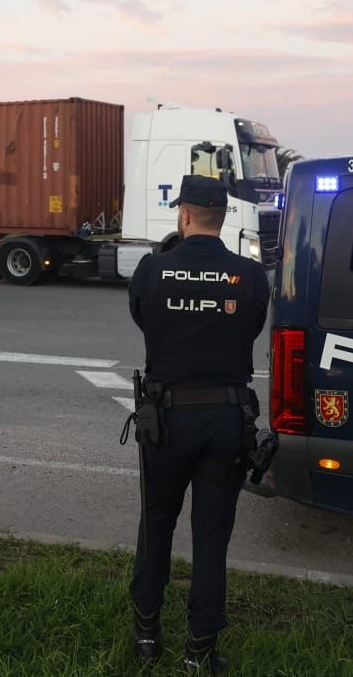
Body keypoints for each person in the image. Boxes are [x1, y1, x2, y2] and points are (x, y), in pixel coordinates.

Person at [126, 174, 271, 674]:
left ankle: (147, 637)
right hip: (227, 421)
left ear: (183, 214)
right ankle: (200, 652)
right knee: (211, 536)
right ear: (223, 216)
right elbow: (251, 326)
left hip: (165, 420)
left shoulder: (151, 269)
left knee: (157, 524)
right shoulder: (249, 276)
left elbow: (144, 318)